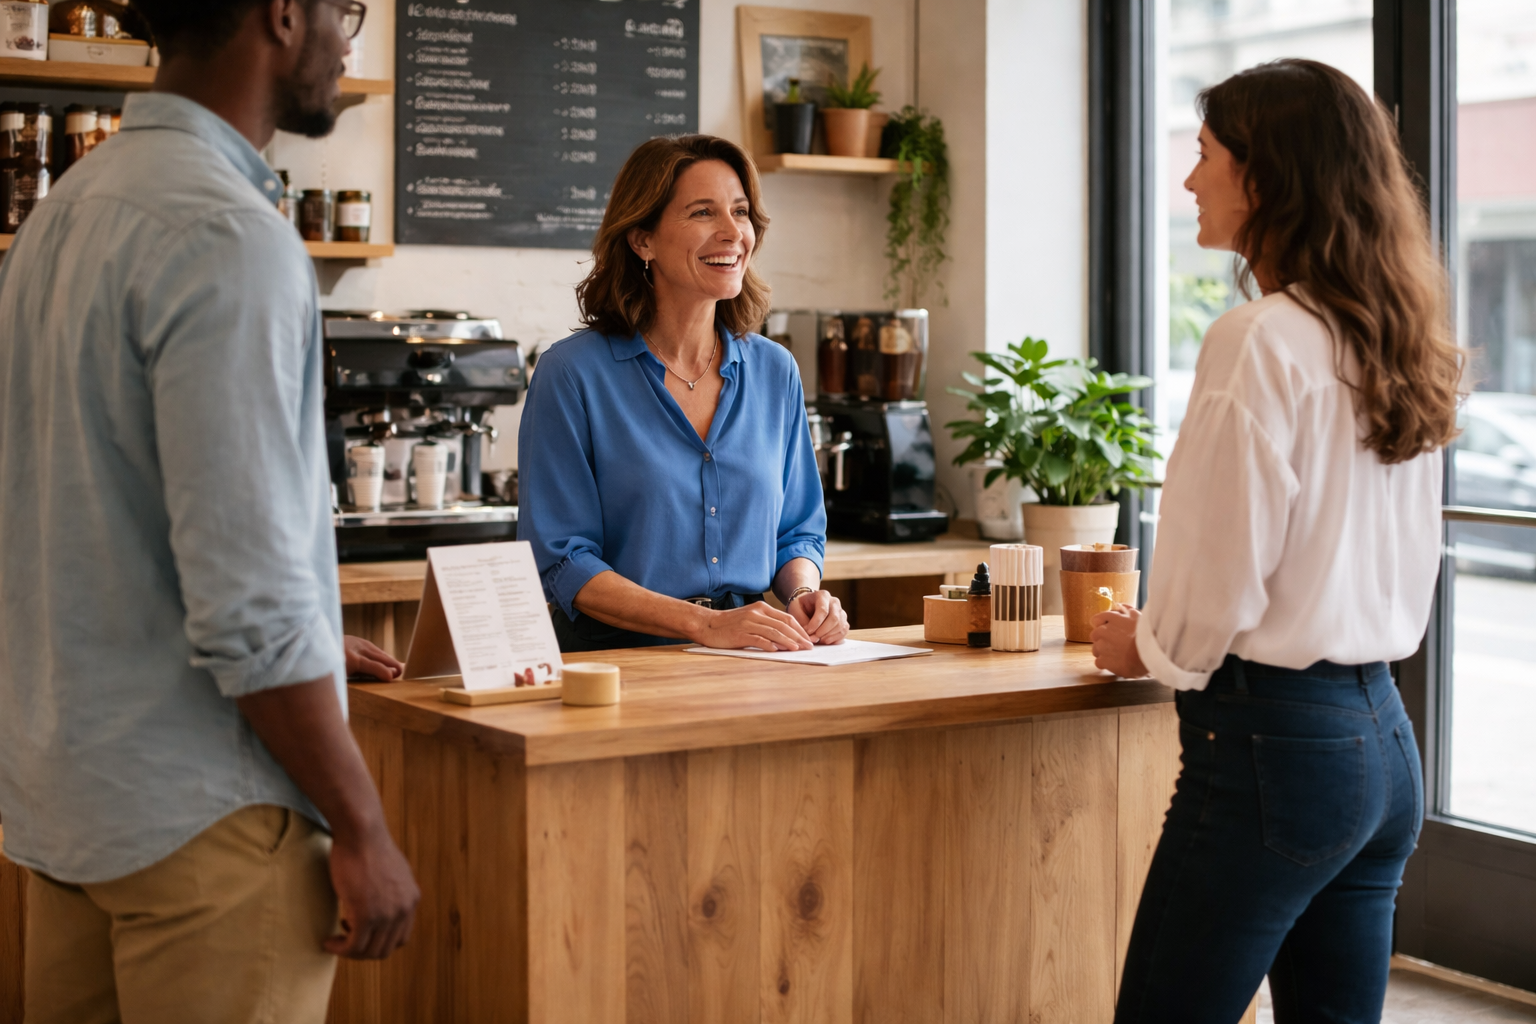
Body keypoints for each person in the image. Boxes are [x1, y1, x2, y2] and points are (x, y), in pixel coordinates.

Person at [0, 1, 419, 1021]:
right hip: (214, 826)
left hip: (73, 810)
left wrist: (312, 643)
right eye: (346, 9)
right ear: (283, 13)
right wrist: (361, 825)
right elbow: (247, 605)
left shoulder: (62, 212)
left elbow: (86, 516)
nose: (349, 36)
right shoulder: (230, 235)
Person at [1092, 59, 1462, 1024]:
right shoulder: (1388, 335)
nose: (1187, 179)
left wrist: (1149, 644)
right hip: (1381, 743)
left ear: (1267, 176)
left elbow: (1220, 572)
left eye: (1206, 154)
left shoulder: (1259, 337)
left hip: (1273, 749)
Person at [518, 135, 849, 653]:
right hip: (616, 663)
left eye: (740, 212)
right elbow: (563, 560)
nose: (732, 233)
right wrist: (703, 625)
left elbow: (796, 531)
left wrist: (805, 592)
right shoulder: (571, 374)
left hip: (750, 657)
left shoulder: (774, 370)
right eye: (702, 212)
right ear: (642, 240)